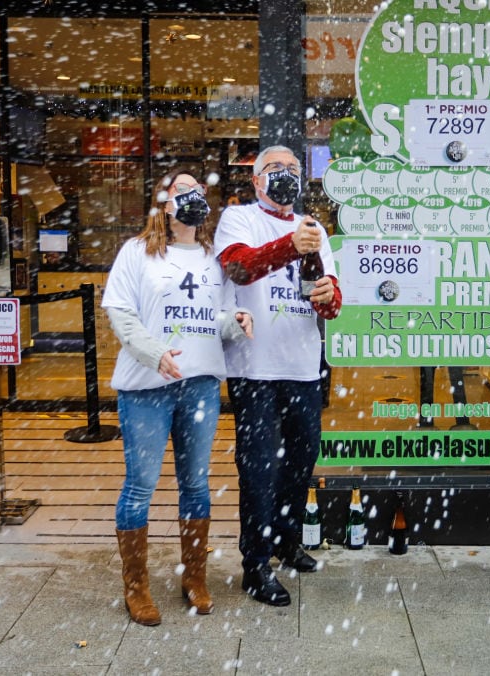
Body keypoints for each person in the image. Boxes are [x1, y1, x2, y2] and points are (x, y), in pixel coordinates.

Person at [103, 171, 253, 626]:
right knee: (140, 485)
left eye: (199, 191)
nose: (193, 197)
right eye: (183, 190)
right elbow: (120, 314)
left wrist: (237, 321)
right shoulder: (136, 252)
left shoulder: (214, 259)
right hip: (145, 387)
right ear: (164, 202)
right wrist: (154, 354)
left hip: (201, 385)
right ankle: (137, 587)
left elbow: (218, 318)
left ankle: (195, 577)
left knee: (195, 484)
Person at [214, 146, 342, 606]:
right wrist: (291, 246)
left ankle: (288, 543)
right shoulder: (239, 219)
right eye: (275, 169)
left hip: (303, 366)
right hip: (255, 369)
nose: (285, 175)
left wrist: (329, 294)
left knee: (300, 462)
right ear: (256, 180)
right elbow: (238, 267)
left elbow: (326, 300)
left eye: (292, 168)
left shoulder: (314, 229)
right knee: (259, 469)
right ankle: (255, 564)